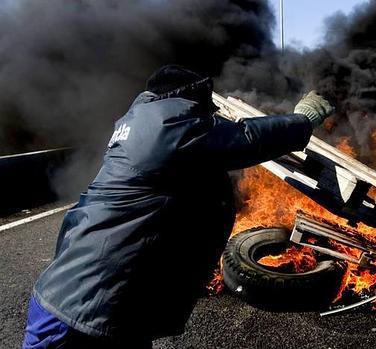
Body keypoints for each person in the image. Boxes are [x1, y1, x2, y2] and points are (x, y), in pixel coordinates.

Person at [22, 65, 335, 348]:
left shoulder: (139, 125)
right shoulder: (165, 128)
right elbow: (247, 139)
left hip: (99, 306)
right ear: (186, 100)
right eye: (204, 107)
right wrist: (302, 120)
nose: (209, 115)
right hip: (83, 313)